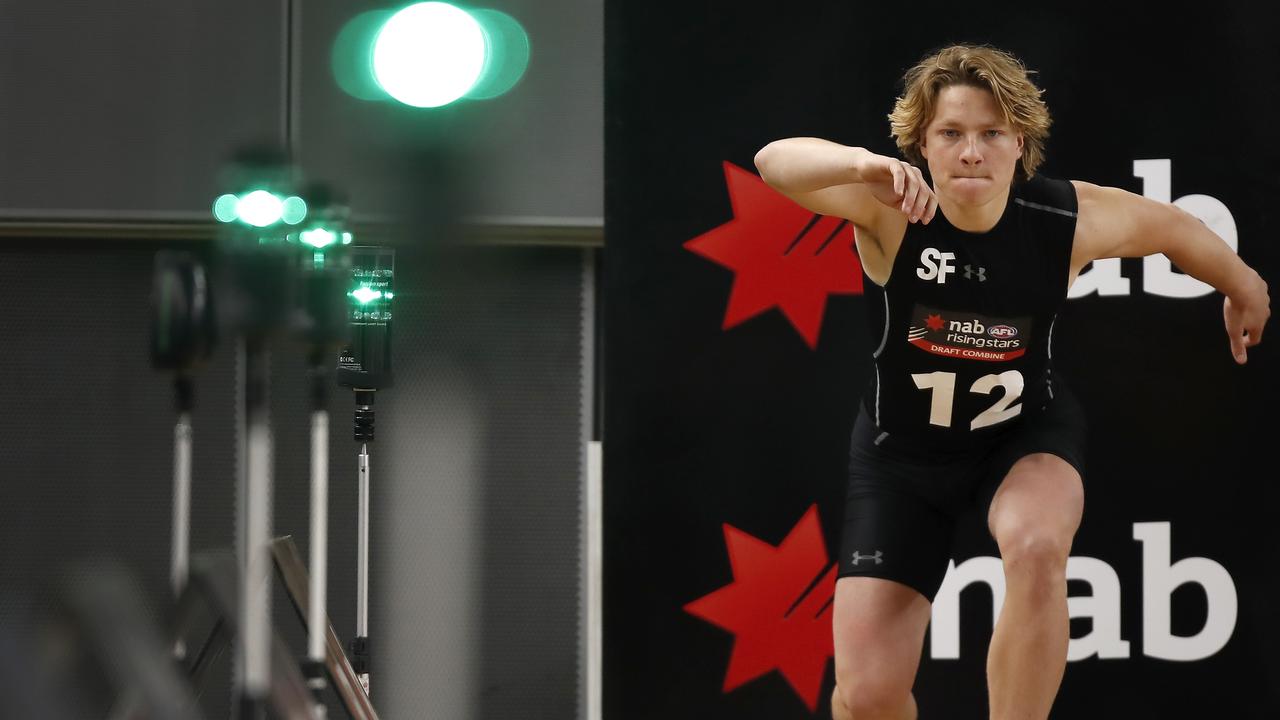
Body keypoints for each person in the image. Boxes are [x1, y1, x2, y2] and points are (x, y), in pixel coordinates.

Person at [753, 44, 1270, 720]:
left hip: (1022, 439)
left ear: (1018, 142)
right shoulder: (888, 206)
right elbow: (772, 164)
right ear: (922, 146)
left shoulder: (1063, 220)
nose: (972, 152)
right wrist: (860, 164)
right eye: (952, 134)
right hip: (901, 458)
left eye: (991, 133)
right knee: (867, 696)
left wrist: (1244, 286)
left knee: (1035, 544)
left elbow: (1169, 228)